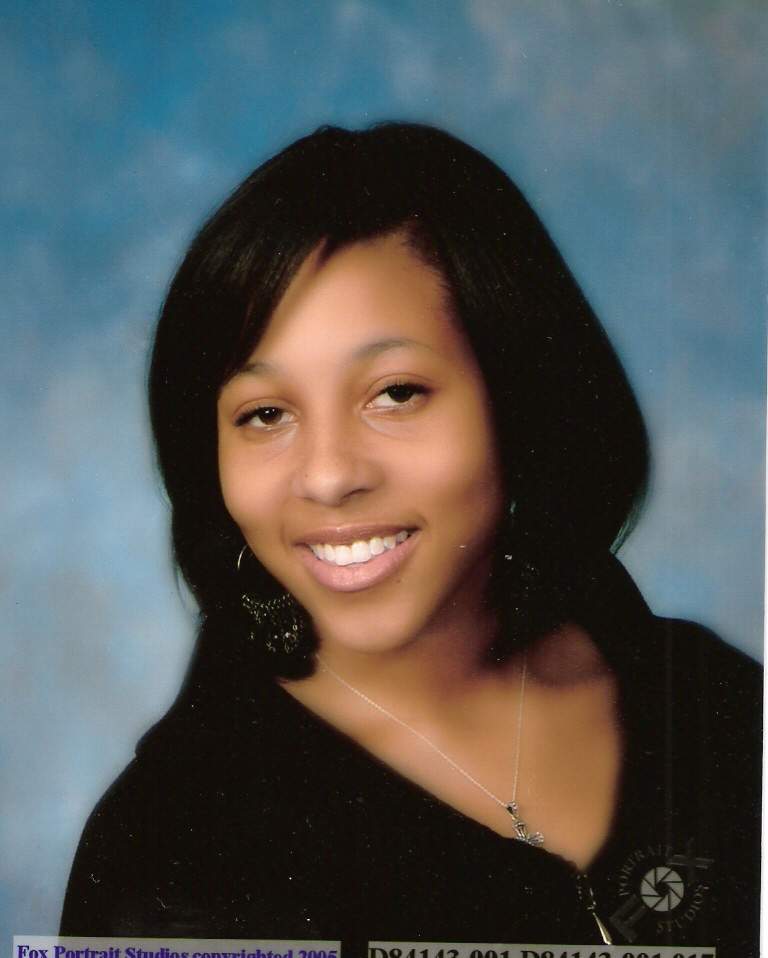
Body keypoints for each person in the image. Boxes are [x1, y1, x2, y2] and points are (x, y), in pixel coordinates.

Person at [60, 123, 760, 953]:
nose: (328, 477)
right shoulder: (164, 860)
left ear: (520, 399)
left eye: (394, 394)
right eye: (266, 414)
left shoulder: (711, 703)